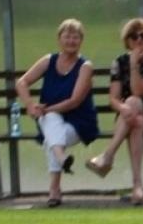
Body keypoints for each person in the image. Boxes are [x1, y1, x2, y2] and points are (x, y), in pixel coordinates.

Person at [86, 18, 143, 206]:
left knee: (133, 101)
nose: (140, 40)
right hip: (129, 116)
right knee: (136, 121)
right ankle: (137, 185)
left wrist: (134, 65)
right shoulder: (118, 62)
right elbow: (113, 98)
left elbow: (139, 91)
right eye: (134, 36)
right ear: (127, 40)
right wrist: (122, 108)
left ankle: (107, 156)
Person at [14, 18, 99, 208]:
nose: (71, 41)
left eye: (75, 37)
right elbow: (21, 82)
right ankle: (61, 163)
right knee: (52, 127)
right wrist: (30, 105)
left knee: (50, 136)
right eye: (67, 36)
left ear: (81, 41)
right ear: (59, 39)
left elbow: (75, 101)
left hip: (79, 122)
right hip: (52, 120)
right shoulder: (48, 61)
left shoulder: (85, 67)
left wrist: (44, 109)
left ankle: (54, 187)